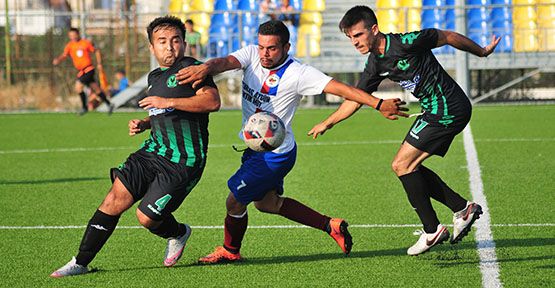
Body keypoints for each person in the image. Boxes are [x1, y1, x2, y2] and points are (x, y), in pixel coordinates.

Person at [175, 20, 408, 264]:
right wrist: (206, 68)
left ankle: (230, 251)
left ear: (286, 47)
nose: (265, 53)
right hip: (259, 148)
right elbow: (223, 63)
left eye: (272, 48)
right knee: (267, 203)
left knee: (234, 202)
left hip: (274, 155)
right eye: (262, 46)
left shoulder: (299, 73)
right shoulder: (252, 54)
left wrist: (379, 104)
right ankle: (331, 226)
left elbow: (342, 89)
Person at [309, 5, 501, 256]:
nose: (354, 42)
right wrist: (328, 122)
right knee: (409, 167)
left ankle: (432, 229)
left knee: (402, 165)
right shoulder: (375, 64)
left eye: (358, 35)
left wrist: (482, 52)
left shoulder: (407, 42)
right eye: (350, 38)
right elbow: (356, 98)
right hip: (434, 111)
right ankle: (461, 209)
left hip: (448, 107)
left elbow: (448, 36)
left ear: (374, 29)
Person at [50, 16, 221, 277]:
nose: (169, 47)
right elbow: (163, 112)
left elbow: (211, 102)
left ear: (184, 44)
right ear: (152, 47)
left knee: (146, 218)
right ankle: (80, 262)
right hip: (153, 151)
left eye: (175, 41)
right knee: (114, 199)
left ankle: (178, 232)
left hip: (183, 160)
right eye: (162, 41)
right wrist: (145, 123)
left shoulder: (192, 69)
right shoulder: (154, 76)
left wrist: (165, 101)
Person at [53, 27, 114, 115]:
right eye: (71, 35)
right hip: (82, 71)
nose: (73, 37)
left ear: (78, 34)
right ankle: (109, 104)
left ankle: (84, 108)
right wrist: (58, 60)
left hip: (88, 69)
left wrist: (99, 63)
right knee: (96, 89)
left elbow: (96, 51)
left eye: (74, 35)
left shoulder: (85, 43)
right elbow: (65, 54)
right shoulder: (70, 45)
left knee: (78, 87)